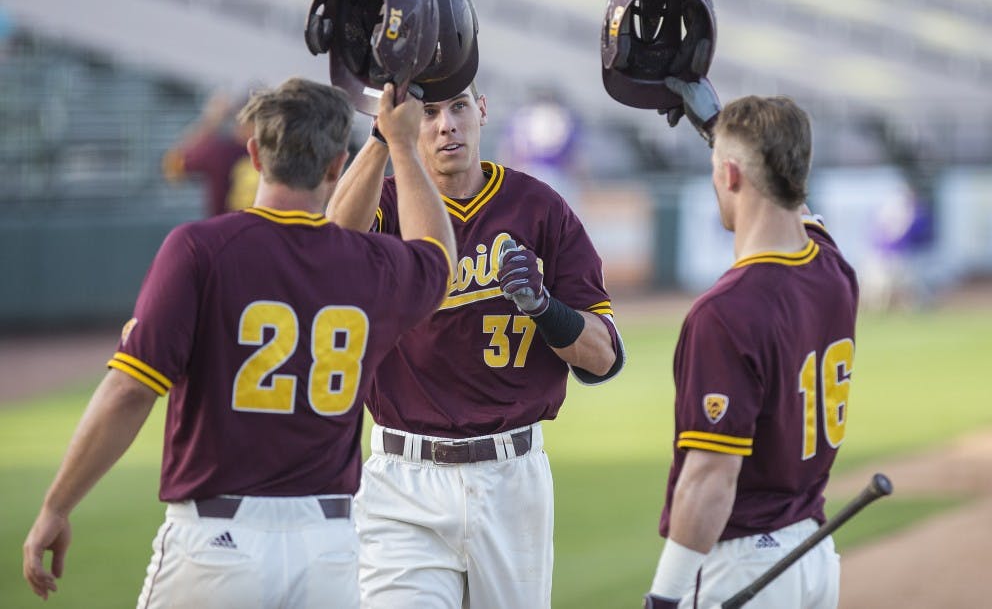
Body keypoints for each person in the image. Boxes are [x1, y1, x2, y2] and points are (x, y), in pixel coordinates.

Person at [22, 78, 456, 608]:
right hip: (329, 546)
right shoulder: (371, 263)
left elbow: (129, 393)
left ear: (254, 152)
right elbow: (436, 257)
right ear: (335, 166)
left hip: (217, 540)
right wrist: (403, 147)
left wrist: (56, 506)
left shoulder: (199, 250)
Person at [327, 77, 626, 608]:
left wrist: (546, 309)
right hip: (403, 476)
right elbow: (326, 245)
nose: (446, 125)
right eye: (429, 112)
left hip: (511, 477)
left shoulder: (539, 208)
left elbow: (603, 359)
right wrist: (380, 136)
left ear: (482, 110)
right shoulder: (386, 201)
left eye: (459, 107)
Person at [643, 86, 860, 609]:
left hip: (743, 569)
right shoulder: (834, 270)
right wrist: (717, 127)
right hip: (813, 554)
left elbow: (711, 476)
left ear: (729, 176)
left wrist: (665, 597)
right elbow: (803, 216)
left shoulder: (725, 313)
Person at [161, 88, 257, 216]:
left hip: (223, 231)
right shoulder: (280, 152)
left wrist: (211, 120)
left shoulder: (219, 151)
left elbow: (173, 167)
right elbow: (174, 168)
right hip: (270, 231)